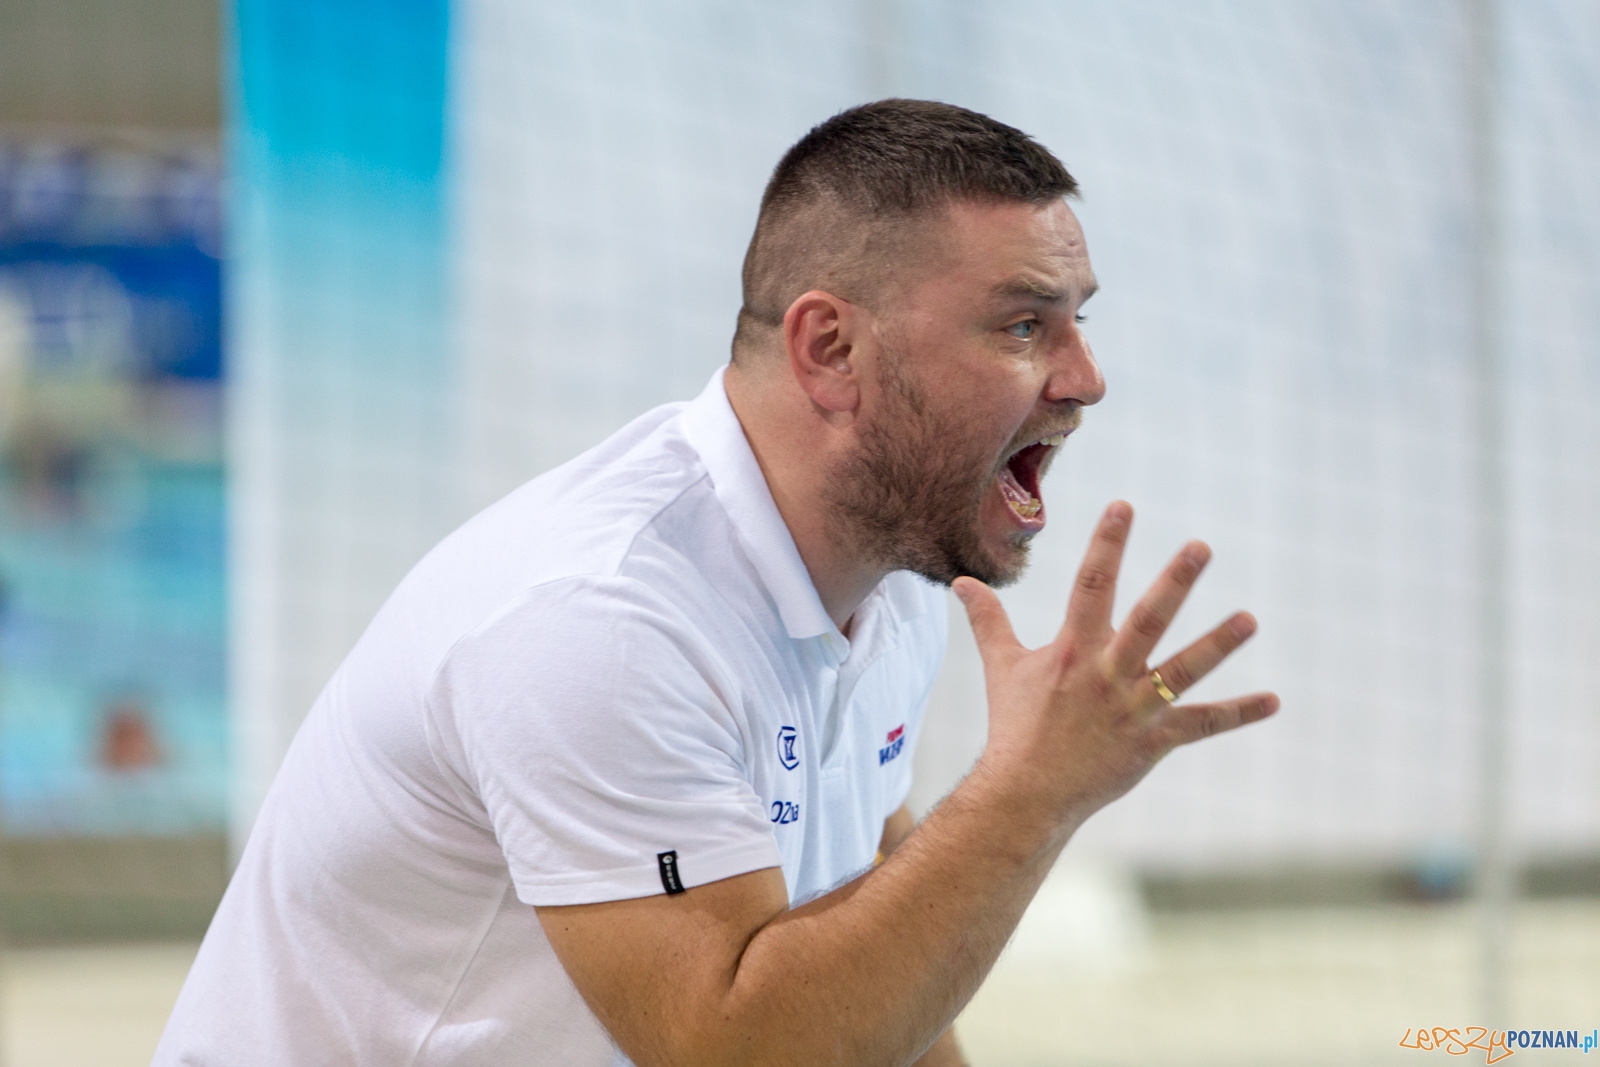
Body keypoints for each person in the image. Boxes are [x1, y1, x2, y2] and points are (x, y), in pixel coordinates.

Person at [155, 99, 1277, 1067]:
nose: (1085, 379)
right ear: (830, 351)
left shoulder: (886, 587)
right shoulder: (598, 619)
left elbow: (883, 957)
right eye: (1025, 325)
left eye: (1079, 322)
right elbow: (736, 1045)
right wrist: (1031, 789)